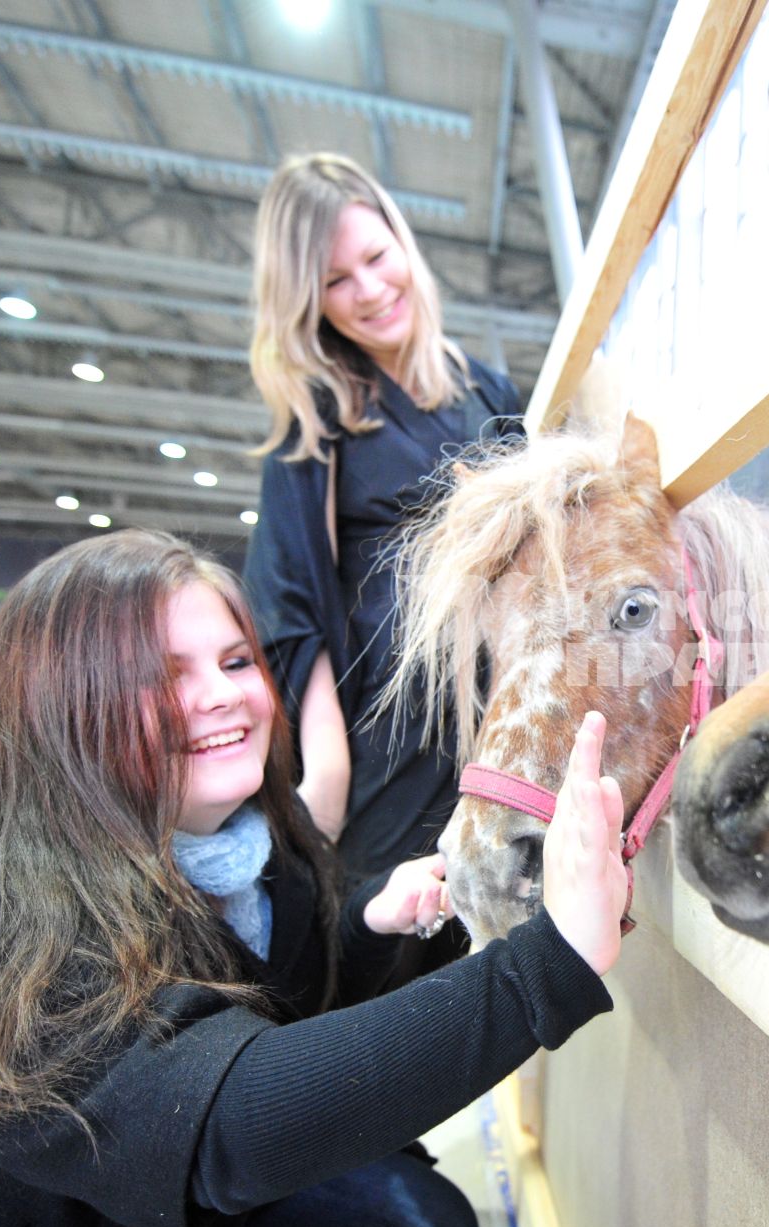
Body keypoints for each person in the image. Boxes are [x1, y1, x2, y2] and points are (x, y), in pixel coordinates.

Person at [0, 530, 628, 1227]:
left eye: (236, 661)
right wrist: (550, 963)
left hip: (173, 1201)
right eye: (162, 674)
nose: (222, 696)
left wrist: (366, 926)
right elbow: (222, 1125)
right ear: (62, 707)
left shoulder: (258, 839)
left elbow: (278, 1014)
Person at [243, 152, 524, 904]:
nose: (368, 291)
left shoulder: (485, 390)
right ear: (306, 299)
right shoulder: (318, 410)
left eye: (375, 257)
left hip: (506, 721)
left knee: (505, 941)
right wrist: (327, 767)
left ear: (403, 243)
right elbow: (285, 602)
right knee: (392, 944)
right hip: (397, 734)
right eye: (335, 280)